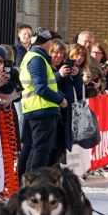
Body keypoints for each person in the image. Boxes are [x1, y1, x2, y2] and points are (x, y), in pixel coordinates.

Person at [18, 27, 67, 175]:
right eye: (50, 41)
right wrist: (60, 100)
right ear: (45, 42)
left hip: (37, 109)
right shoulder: (37, 59)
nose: (51, 44)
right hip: (41, 110)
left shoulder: (34, 57)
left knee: (36, 150)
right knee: (41, 151)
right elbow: (40, 88)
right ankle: (33, 185)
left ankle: (28, 185)